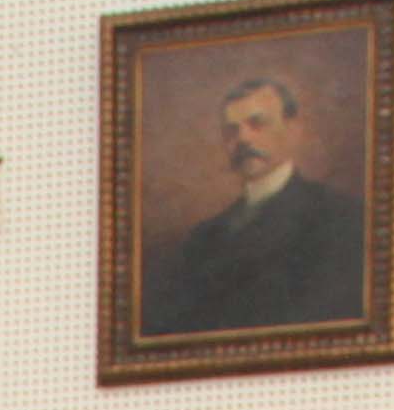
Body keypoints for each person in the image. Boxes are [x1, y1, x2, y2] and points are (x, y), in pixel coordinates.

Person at [140, 73, 370, 339]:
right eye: (232, 130)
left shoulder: (341, 217)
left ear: (293, 131)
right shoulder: (203, 237)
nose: (243, 139)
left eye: (257, 124)